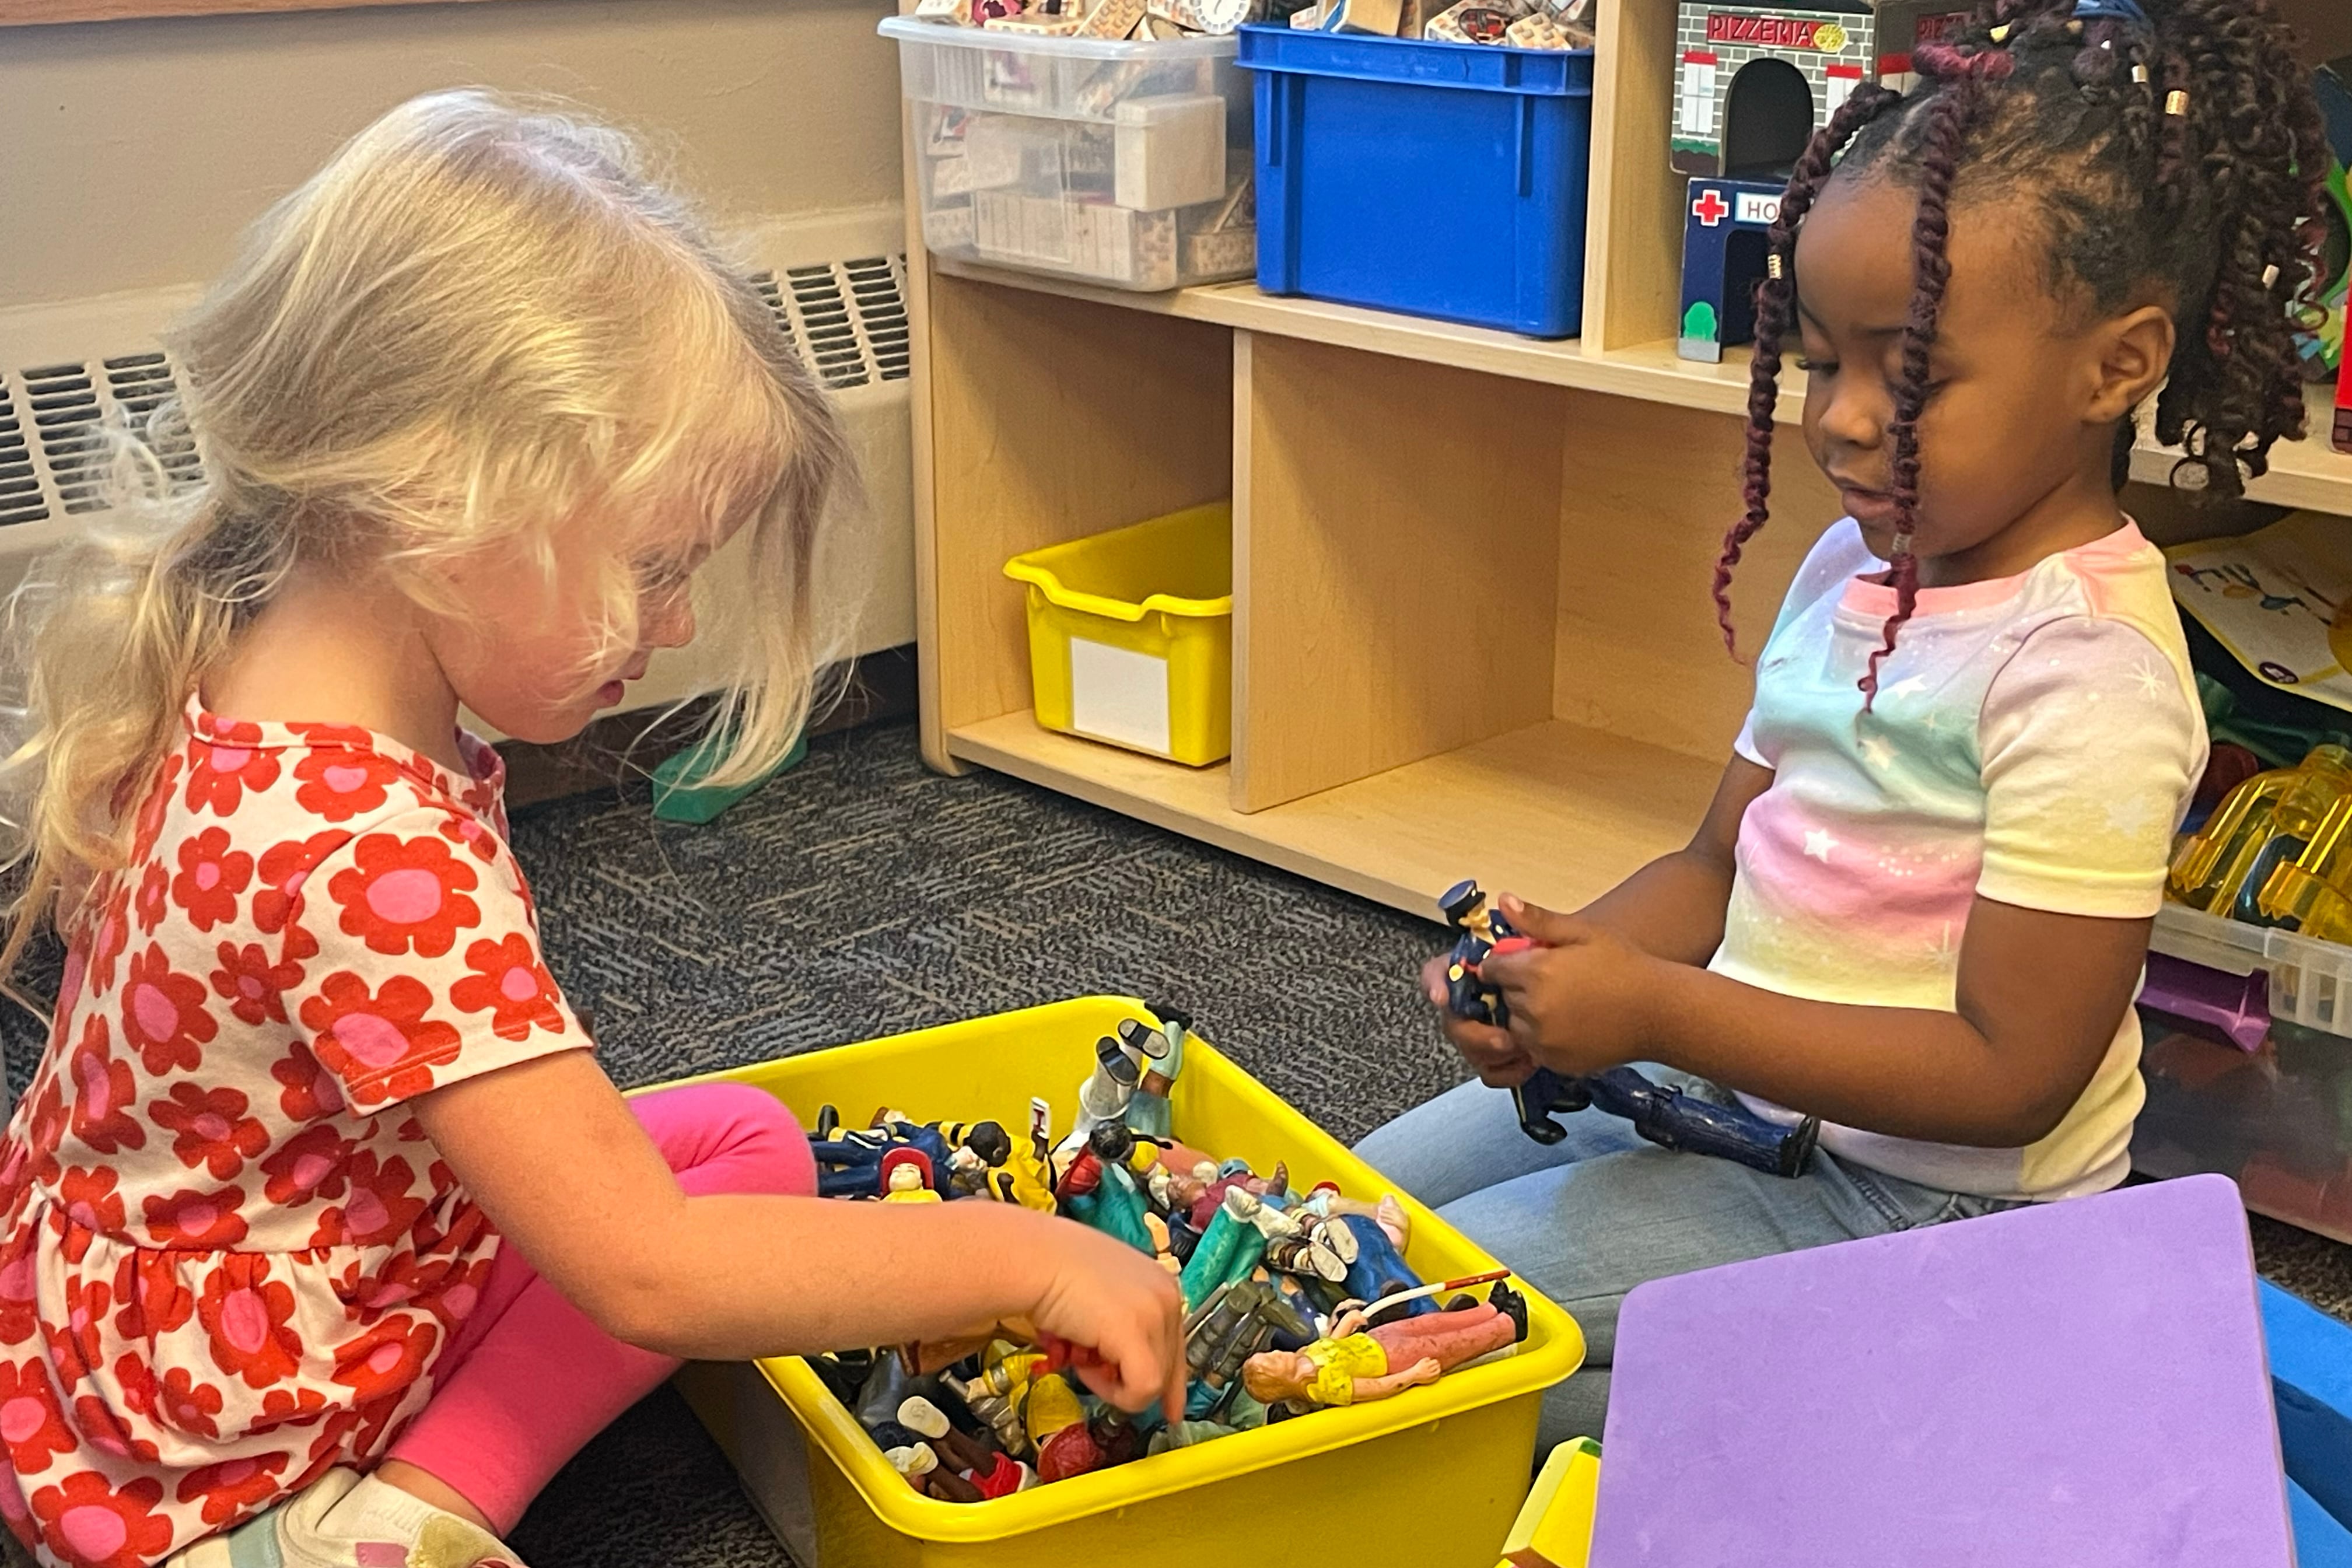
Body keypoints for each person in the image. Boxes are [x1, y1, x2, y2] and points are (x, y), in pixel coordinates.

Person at [0, 93, 1184, 1568]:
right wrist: (1025, 1256)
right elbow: (652, 1279)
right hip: (216, 1433)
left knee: (748, 1139)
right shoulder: (367, 848)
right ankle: (368, 1531)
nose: (678, 624)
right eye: (657, 567)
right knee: (678, 1241)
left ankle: (410, 1497)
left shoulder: (251, 655)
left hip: (208, 1255)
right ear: (447, 498)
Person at [1358, 0, 2329, 1447]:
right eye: (1824, 362)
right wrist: (1560, 977)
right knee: (1335, 1209)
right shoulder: (1853, 566)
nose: (1847, 421)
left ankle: (1880, 1397)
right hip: (1724, 1091)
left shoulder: (2090, 674)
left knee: (1411, 1373)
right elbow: (1713, 867)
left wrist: (1658, 1011)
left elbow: (2016, 1076)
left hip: (1926, 1211)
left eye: (1915, 374)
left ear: (2117, 367)